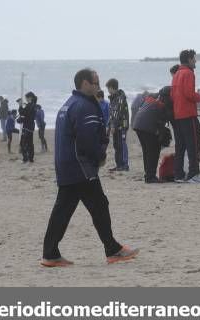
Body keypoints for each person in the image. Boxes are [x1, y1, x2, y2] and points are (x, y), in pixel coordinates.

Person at [41, 68, 139, 267]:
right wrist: (99, 157)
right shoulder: (84, 106)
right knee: (99, 206)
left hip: (67, 165)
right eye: (95, 82)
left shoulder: (68, 104)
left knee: (65, 209)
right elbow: (87, 139)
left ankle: (50, 254)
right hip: (81, 167)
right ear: (84, 83)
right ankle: (112, 250)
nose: (98, 86)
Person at [171, 49, 200, 182]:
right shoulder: (188, 73)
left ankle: (178, 174)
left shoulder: (176, 73)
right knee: (193, 145)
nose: (195, 61)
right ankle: (193, 174)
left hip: (178, 114)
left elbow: (173, 95)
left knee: (180, 146)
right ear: (189, 59)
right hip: (188, 114)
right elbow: (189, 94)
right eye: (194, 58)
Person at [133, 87, 173, 183]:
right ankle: (151, 177)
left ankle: (148, 175)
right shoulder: (164, 103)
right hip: (147, 127)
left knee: (146, 151)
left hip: (138, 125)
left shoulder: (153, 97)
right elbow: (168, 116)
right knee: (154, 151)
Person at [106, 78, 130, 172]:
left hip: (122, 125)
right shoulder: (113, 98)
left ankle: (125, 165)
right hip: (115, 126)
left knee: (122, 144)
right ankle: (119, 164)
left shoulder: (120, 98)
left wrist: (112, 126)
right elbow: (111, 114)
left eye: (108, 88)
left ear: (112, 87)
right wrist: (108, 124)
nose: (108, 90)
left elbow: (117, 113)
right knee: (116, 145)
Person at [18, 92, 37, 163]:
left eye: (26, 97)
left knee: (23, 143)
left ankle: (25, 158)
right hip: (31, 127)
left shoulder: (30, 105)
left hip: (27, 127)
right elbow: (27, 115)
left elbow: (22, 113)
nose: (25, 99)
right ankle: (31, 158)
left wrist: (20, 105)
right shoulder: (33, 105)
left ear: (30, 98)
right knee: (30, 143)